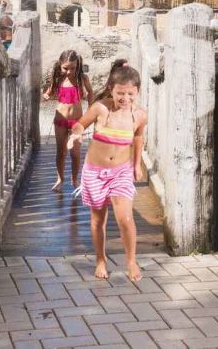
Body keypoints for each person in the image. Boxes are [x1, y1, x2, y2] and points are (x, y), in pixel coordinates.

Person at [67, 64, 147, 282]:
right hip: (94, 172)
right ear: (111, 89)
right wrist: (76, 134)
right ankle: (100, 259)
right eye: (120, 93)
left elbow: (138, 138)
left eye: (130, 94)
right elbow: (80, 124)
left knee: (126, 218)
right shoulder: (100, 108)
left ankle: (131, 261)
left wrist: (136, 165)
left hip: (121, 172)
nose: (125, 98)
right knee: (98, 219)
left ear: (137, 91)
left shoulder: (140, 115)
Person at [42, 50, 93, 191]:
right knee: (61, 152)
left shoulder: (82, 78)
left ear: (78, 66)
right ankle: (60, 179)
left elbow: (90, 91)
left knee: (75, 153)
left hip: (77, 122)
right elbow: (48, 92)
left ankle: (74, 180)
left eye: (73, 68)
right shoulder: (58, 79)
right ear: (60, 65)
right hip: (60, 121)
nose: (69, 72)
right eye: (65, 68)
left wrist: (91, 107)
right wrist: (45, 96)